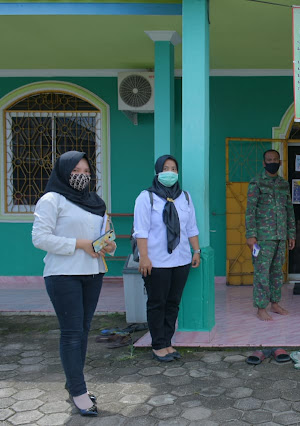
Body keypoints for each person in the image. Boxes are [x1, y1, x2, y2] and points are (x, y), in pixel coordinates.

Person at [32, 151, 116, 416]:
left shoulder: (95, 202)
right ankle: (79, 391)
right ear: (64, 171)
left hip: (93, 273)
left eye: (86, 172)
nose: (82, 176)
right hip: (63, 274)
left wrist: (109, 245)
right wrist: (80, 244)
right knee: (71, 333)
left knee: (83, 330)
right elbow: (40, 238)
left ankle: (74, 384)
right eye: (76, 171)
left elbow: (103, 239)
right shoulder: (51, 200)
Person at [133, 155, 201, 362]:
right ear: (157, 172)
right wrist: (144, 257)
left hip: (181, 260)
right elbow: (141, 231)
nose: (170, 172)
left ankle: (168, 342)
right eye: (165, 168)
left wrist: (196, 250)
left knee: (173, 303)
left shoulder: (185, 197)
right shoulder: (146, 197)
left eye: (173, 169)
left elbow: (191, 227)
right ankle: (157, 345)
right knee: (157, 303)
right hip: (156, 261)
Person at [245, 149, 296, 321]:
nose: (273, 162)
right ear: (264, 163)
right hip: (262, 238)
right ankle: (261, 307)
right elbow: (250, 211)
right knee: (262, 272)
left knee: (276, 272)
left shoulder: (284, 184)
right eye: (269, 159)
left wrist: (291, 234)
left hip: (280, 236)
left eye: (275, 159)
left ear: (280, 162)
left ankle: (274, 303)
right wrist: (251, 235)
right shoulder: (256, 183)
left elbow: (289, 210)